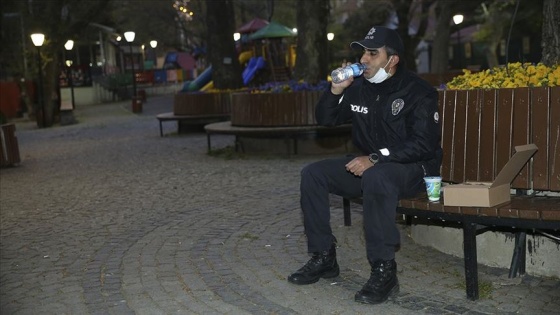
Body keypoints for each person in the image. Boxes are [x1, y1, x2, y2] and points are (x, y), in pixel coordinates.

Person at [287, 26, 442, 305]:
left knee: (377, 178)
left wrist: (375, 158)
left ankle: (384, 269)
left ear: (391, 60)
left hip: (415, 170)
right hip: (375, 167)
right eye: (363, 52)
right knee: (313, 174)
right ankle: (323, 257)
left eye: (372, 53)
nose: (364, 59)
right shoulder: (360, 89)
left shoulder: (418, 91)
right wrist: (336, 90)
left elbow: (424, 145)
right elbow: (325, 119)